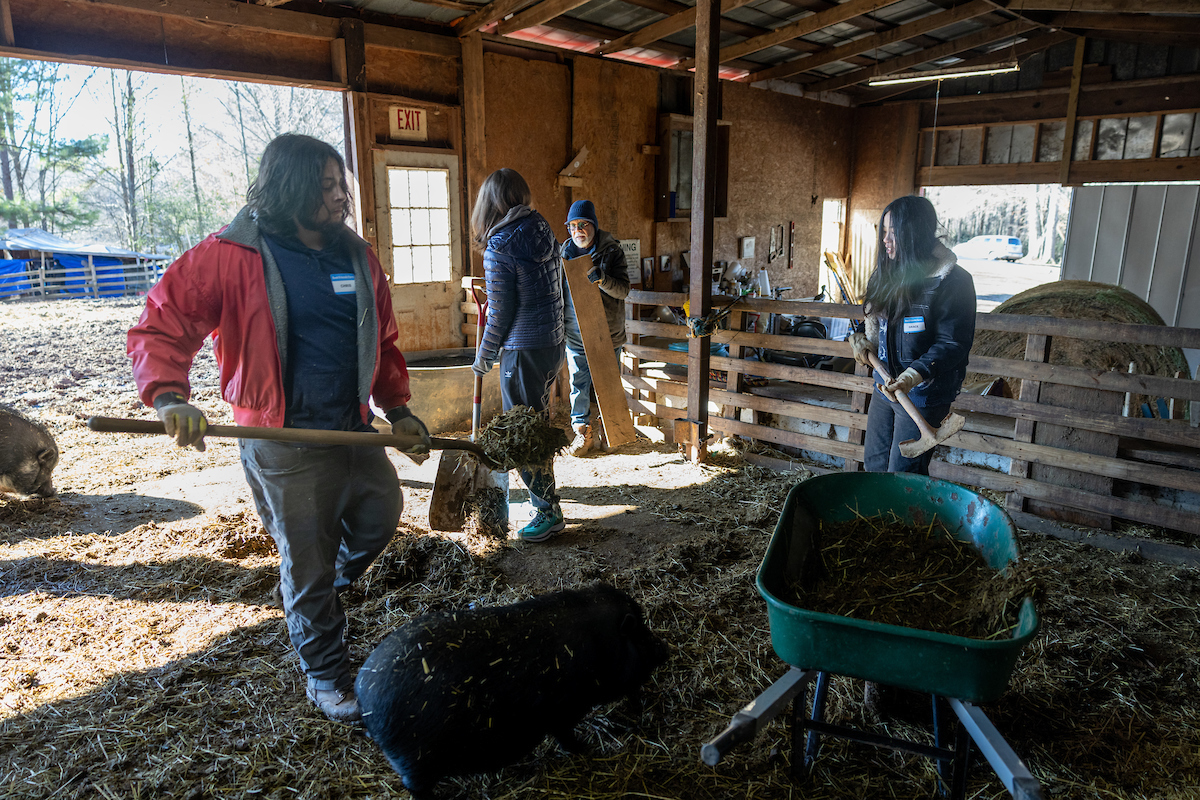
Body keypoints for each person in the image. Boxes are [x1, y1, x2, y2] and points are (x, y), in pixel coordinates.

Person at [127, 133, 431, 723]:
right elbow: (162, 324)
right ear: (289, 187)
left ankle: (311, 593)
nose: (340, 196)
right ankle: (325, 673)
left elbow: (384, 343)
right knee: (308, 558)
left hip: (351, 428)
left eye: (340, 184)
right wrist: (169, 397)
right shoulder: (230, 254)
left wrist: (399, 411)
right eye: (324, 187)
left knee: (379, 515)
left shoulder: (357, 256)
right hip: (282, 437)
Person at [470, 168, 566, 542]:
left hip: (523, 349)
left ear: (489, 204)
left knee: (522, 433)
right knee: (535, 424)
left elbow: (500, 313)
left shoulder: (499, 246)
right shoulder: (542, 228)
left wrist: (484, 355)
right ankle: (543, 502)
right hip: (549, 345)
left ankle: (547, 512)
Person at [848, 194, 976, 475]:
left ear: (915, 234)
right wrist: (860, 338)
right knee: (875, 464)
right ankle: (877, 518)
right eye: (884, 232)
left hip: (923, 393)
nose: (886, 241)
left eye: (894, 233)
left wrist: (912, 376)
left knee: (902, 474)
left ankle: (902, 519)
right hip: (885, 386)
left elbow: (952, 343)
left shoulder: (954, 282)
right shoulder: (887, 273)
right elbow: (874, 320)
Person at [559, 199, 631, 455]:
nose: (578, 230)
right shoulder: (563, 254)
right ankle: (583, 434)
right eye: (573, 226)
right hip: (575, 333)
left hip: (607, 334)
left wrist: (602, 279)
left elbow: (623, 290)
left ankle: (611, 431)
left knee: (608, 383)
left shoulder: (612, 252)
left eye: (584, 224)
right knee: (578, 384)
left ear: (594, 226)